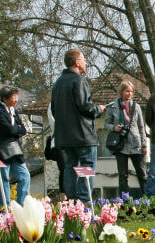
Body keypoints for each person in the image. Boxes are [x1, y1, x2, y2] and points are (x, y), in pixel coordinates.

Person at [51, 49, 106, 205]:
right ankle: (84, 202)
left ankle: (71, 202)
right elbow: (85, 106)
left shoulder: (58, 83)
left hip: (65, 137)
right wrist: (98, 109)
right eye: (83, 59)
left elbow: (54, 109)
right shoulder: (79, 80)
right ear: (76, 62)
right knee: (87, 167)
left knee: (69, 168)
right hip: (83, 135)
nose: (86, 62)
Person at [0, 85, 30, 207]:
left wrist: (15, 129)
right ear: (4, 99)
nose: (16, 100)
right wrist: (15, 129)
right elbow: (8, 130)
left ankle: (21, 204)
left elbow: (23, 129)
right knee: (4, 179)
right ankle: (4, 207)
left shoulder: (14, 111)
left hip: (15, 150)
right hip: (2, 151)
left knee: (25, 176)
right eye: (14, 97)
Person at [105, 80, 147, 195]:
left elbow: (141, 126)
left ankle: (147, 199)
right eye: (127, 91)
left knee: (142, 173)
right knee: (123, 175)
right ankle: (124, 200)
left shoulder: (136, 106)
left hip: (135, 143)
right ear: (121, 92)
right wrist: (114, 128)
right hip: (120, 144)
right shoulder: (112, 106)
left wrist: (144, 144)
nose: (129, 94)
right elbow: (106, 123)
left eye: (131, 91)